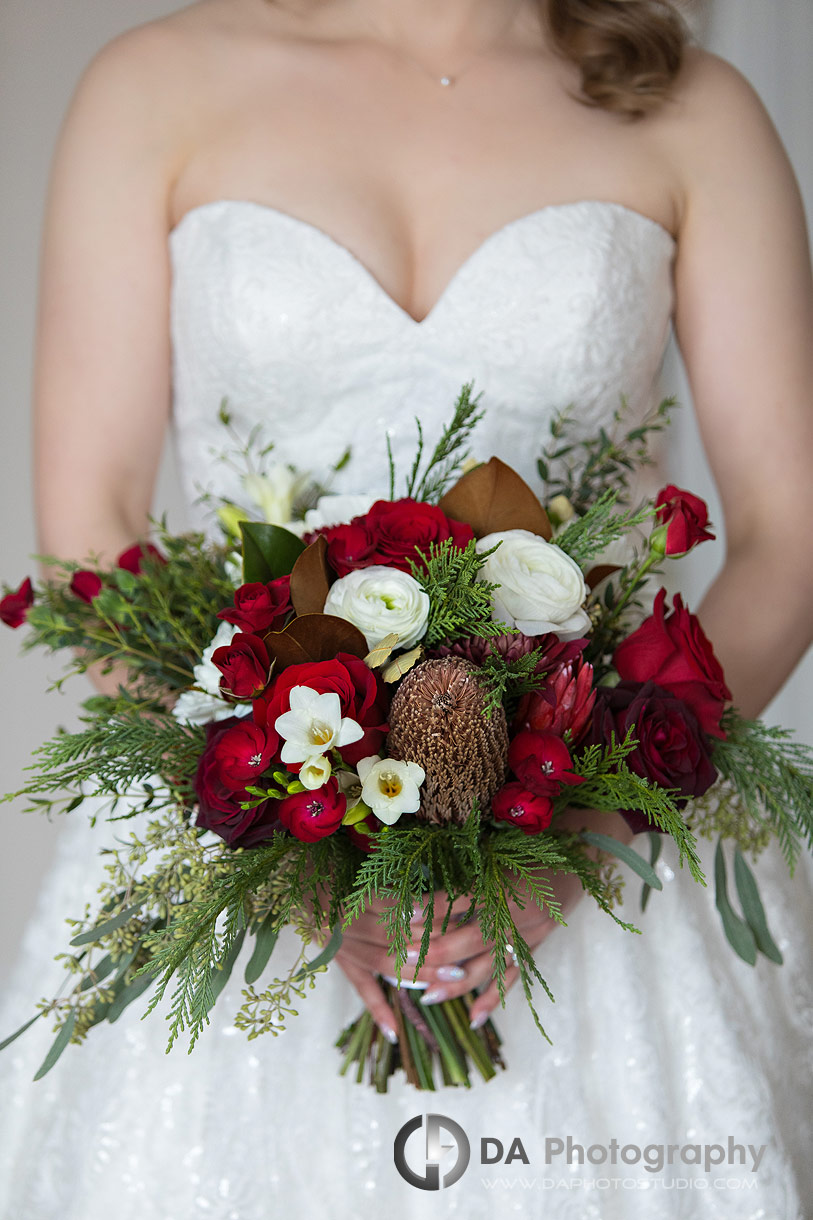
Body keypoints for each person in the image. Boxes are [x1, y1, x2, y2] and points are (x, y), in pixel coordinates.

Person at [1, 0, 812, 1215]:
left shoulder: (690, 109)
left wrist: (586, 835)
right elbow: (91, 529)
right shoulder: (154, 89)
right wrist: (287, 857)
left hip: (602, 831)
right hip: (249, 845)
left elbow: (792, 532)